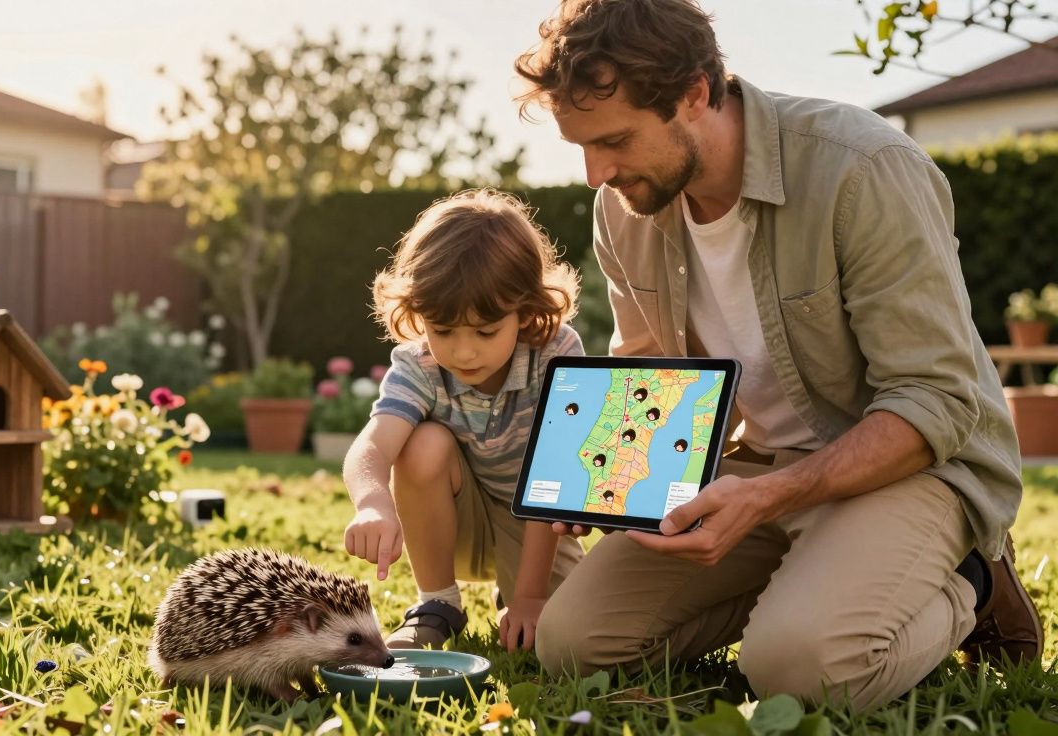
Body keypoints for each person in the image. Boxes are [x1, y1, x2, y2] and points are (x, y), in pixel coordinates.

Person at [513, 0, 1040, 710]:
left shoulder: (864, 171)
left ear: (695, 94)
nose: (593, 172)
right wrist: (609, 481)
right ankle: (811, 577)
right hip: (757, 473)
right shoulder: (627, 206)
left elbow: (936, 400)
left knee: (798, 675)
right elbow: (650, 372)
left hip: (914, 468)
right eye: (580, 145)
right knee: (576, 643)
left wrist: (767, 498)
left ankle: (972, 583)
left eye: (613, 140)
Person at [342, 188, 586, 653]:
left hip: (535, 523)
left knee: (555, 637)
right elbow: (372, 447)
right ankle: (438, 605)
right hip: (451, 522)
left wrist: (531, 596)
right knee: (423, 442)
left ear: (526, 310)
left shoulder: (556, 352)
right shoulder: (420, 366)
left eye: (486, 330)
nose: (464, 351)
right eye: (443, 330)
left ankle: (514, 589)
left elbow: (555, 475)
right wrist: (372, 503)